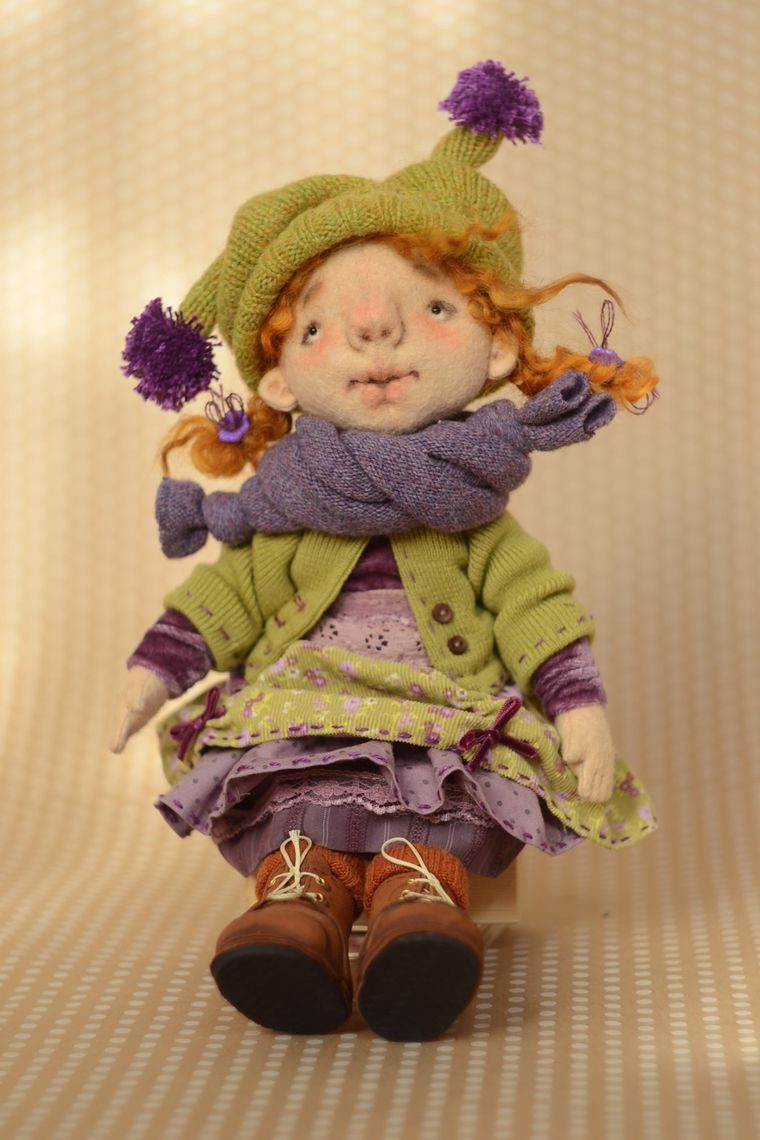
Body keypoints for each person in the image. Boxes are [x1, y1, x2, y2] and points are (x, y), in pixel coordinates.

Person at [112, 62, 658, 1042]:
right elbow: (230, 595)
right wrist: (156, 668)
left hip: (440, 709)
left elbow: (532, 603)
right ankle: (299, 899)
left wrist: (575, 701)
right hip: (299, 707)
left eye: (433, 308)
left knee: (440, 795)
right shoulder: (283, 511)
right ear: (279, 379)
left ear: (496, 348)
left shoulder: (477, 519)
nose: (375, 333)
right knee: (290, 786)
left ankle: (420, 899)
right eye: (323, 323)